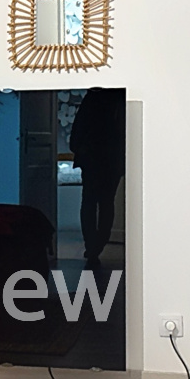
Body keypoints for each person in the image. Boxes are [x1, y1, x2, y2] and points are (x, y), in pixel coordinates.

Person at [68, 87, 125, 266]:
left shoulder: (93, 98)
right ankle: (97, 244)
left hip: (92, 157)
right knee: (105, 202)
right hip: (111, 158)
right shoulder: (119, 98)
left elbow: (77, 132)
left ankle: (93, 245)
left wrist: (80, 149)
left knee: (90, 202)